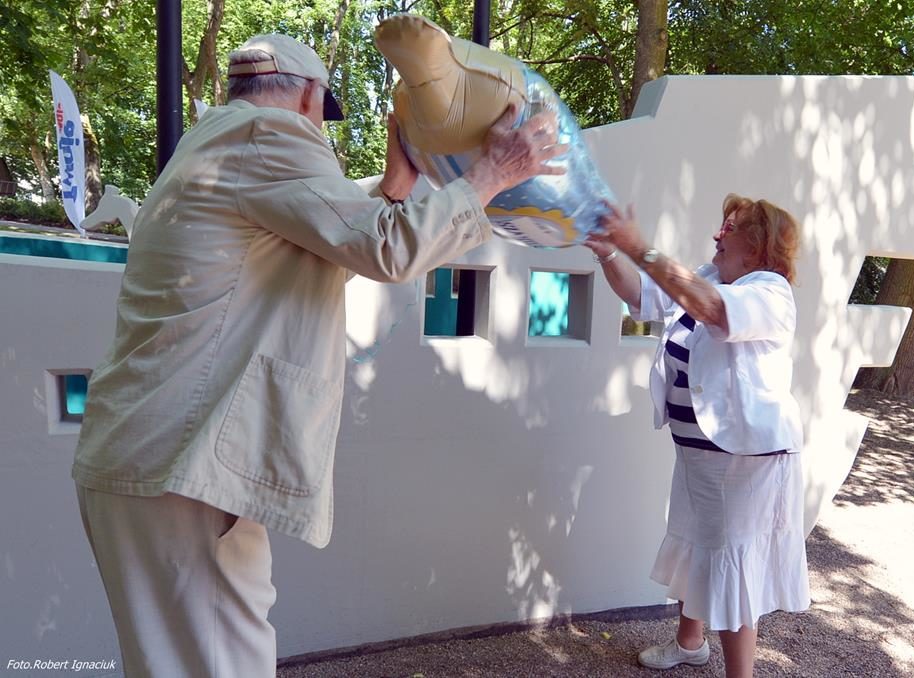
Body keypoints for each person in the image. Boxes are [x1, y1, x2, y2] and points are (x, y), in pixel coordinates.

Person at [71, 33, 565, 678]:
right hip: (182, 469)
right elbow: (388, 251)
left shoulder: (210, 145)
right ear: (308, 95)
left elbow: (321, 241)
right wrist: (492, 175)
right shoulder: (268, 135)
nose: (320, 130)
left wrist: (395, 186)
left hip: (144, 458)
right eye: (323, 114)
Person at [586, 195, 810, 678]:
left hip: (746, 460)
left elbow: (713, 310)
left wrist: (638, 245)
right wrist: (609, 252)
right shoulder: (709, 276)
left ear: (758, 246)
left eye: (730, 228)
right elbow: (642, 297)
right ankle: (690, 644)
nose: (716, 235)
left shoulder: (770, 292)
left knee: (731, 568)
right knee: (698, 544)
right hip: (699, 451)